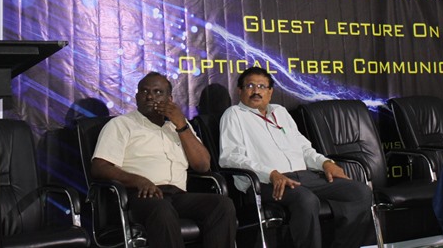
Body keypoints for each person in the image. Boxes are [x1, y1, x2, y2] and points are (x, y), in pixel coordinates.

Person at [219, 67, 373, 248]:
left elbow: (304, 148)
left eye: (262, 86)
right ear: (240, 91)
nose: (256, 91)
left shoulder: (280, 112)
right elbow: (231, 158)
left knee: (359, 192)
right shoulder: (234, 115)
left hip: (306, 176)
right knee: (305, 199)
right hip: (266, 184)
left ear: (270, 91)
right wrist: (271, 173)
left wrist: (325, 163)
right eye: (250, 86)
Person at [91, 71, 237, 248]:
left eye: (158, 92)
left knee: (222, 205)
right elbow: (99, 167)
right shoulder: (121, 125)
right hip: (140, 196)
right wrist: (138, 180)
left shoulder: (179, 126)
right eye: (144, 92)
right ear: (137, 97)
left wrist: (181, 125)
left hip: (177, 195)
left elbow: (203, 165)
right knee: (162, 209)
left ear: (170, 98)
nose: (150, 96)